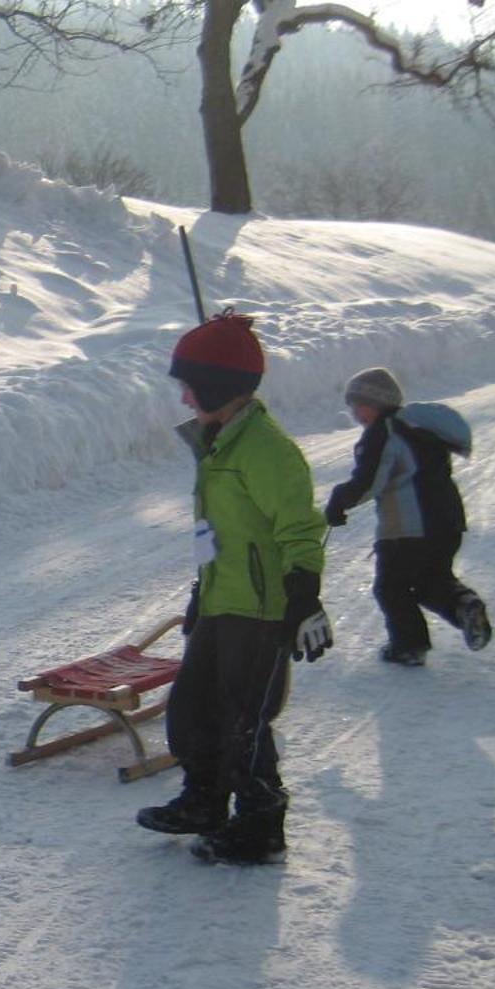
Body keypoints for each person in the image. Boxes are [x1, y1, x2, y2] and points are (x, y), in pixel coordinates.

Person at [136, 311, 332, 866]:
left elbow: (299, 528)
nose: (183, 400)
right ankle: (204, 801)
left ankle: (261, 825)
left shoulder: (265, 450)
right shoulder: (219, 443)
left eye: (190, 387)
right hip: (223, 601)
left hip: (263, 609)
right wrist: (202, 592)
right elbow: (214, 533)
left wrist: (303, 595)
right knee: (192, 711)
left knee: (245, 719)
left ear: (219, 387)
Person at [322, 366, 491, 666]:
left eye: (356, 405)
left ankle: (409, 646)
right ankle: (464, 606)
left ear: (374, 402)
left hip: (407, 530)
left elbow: (369, 480)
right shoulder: (420, 432)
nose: (354, 413)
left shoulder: (381, 433)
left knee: (390, 588)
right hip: (447, 524)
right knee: (430, 582)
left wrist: (339, 501)